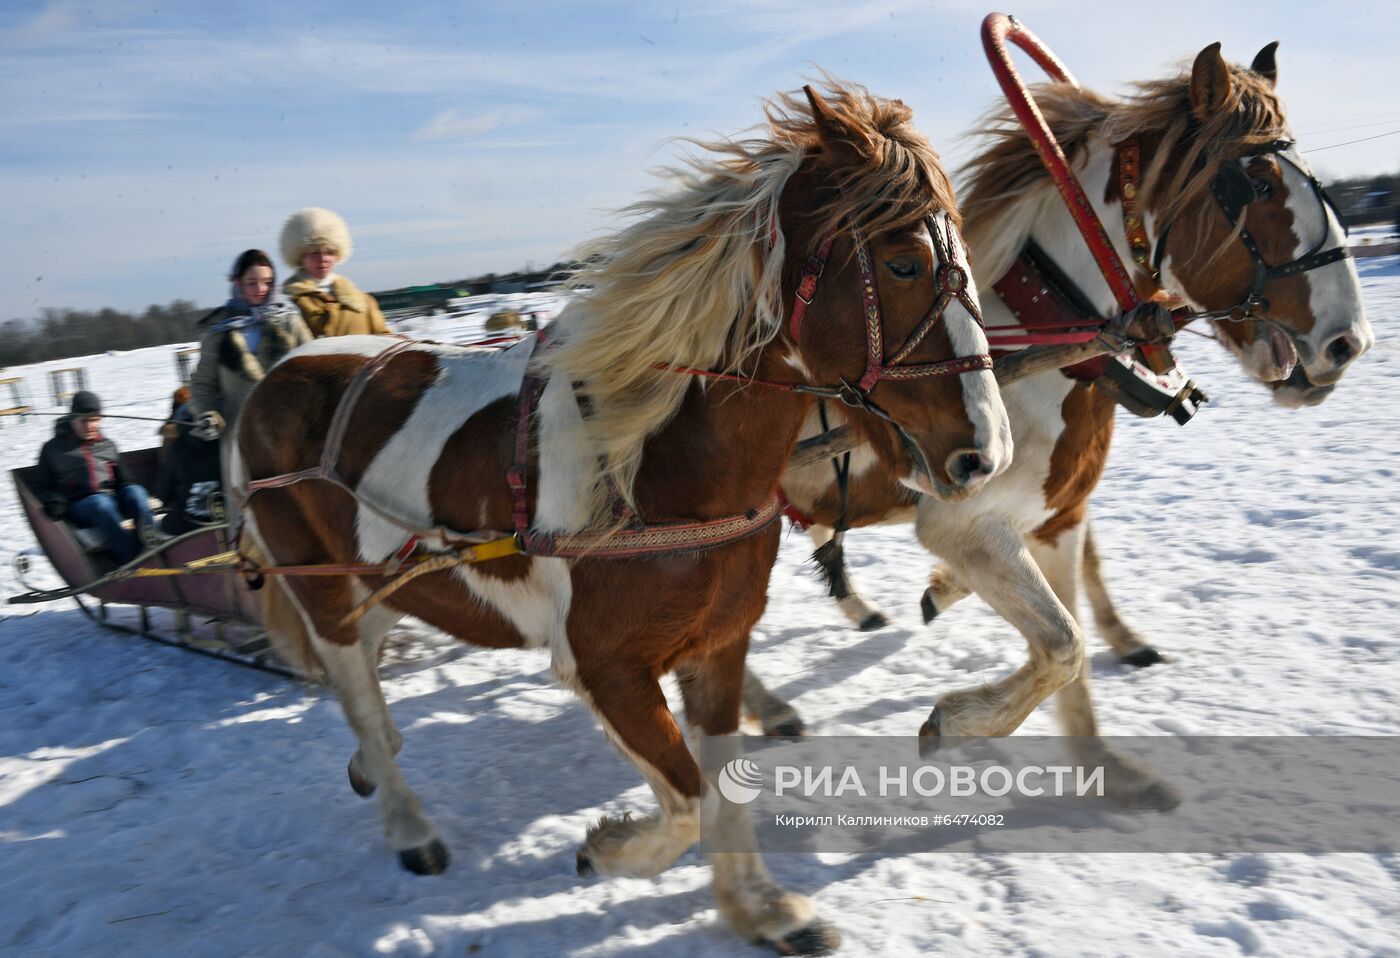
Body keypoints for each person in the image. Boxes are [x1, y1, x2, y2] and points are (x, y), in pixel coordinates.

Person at [188, 249, 313, 443]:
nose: (260, 289)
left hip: (294, 430)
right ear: (237, 283)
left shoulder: (290, 320)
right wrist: (207, 414)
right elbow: (203, 384)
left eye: (267, 282)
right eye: (252, 283)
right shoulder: (218, 331)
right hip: (240, 437)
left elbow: (313, 367)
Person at [33, 391, 156, 563]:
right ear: (72, 420)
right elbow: (41, 485)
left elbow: (125, 480)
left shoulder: (106, 444)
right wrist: (53, 500)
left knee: (135, 492)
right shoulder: (53, 449)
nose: (90, 426)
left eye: (95, 419)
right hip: (80, 506)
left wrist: (128, 489)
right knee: (100, 503)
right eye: (84, 421)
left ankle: (153, 542)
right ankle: (132, 556)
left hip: (110, 500)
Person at [279, 207, 390, 337]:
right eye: (315, 252)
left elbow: (383, 341)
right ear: (299, 256)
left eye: (330, 252)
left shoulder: (364, 301)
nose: (323, 259)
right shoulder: (288, 302)